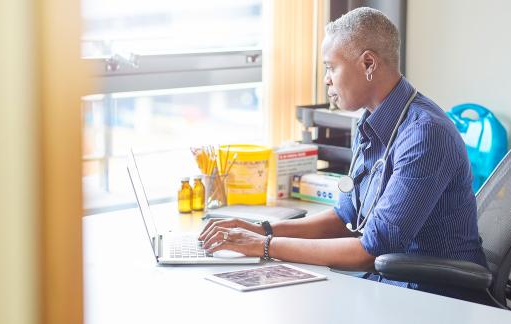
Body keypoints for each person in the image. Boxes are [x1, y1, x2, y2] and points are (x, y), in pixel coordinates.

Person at [199, 7, 487, 302]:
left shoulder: (425, 135)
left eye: (331, 67)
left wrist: (263, 245)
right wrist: (261, 229)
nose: (326, 79)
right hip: (388, 286)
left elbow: (369, 251)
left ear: (368, 63)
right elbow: (344, 218)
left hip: (435, 298)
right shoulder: (370, 123)